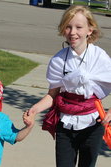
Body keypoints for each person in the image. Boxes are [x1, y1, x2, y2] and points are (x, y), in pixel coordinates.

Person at [26, 5, 111, 167]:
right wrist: (35, 109)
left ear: (90, 30)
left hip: (92, 124)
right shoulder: (59, 60)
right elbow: (52, 94)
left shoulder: (99, 57)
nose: (73, 32)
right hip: (65, 125)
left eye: (79, 27)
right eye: (68, 27)